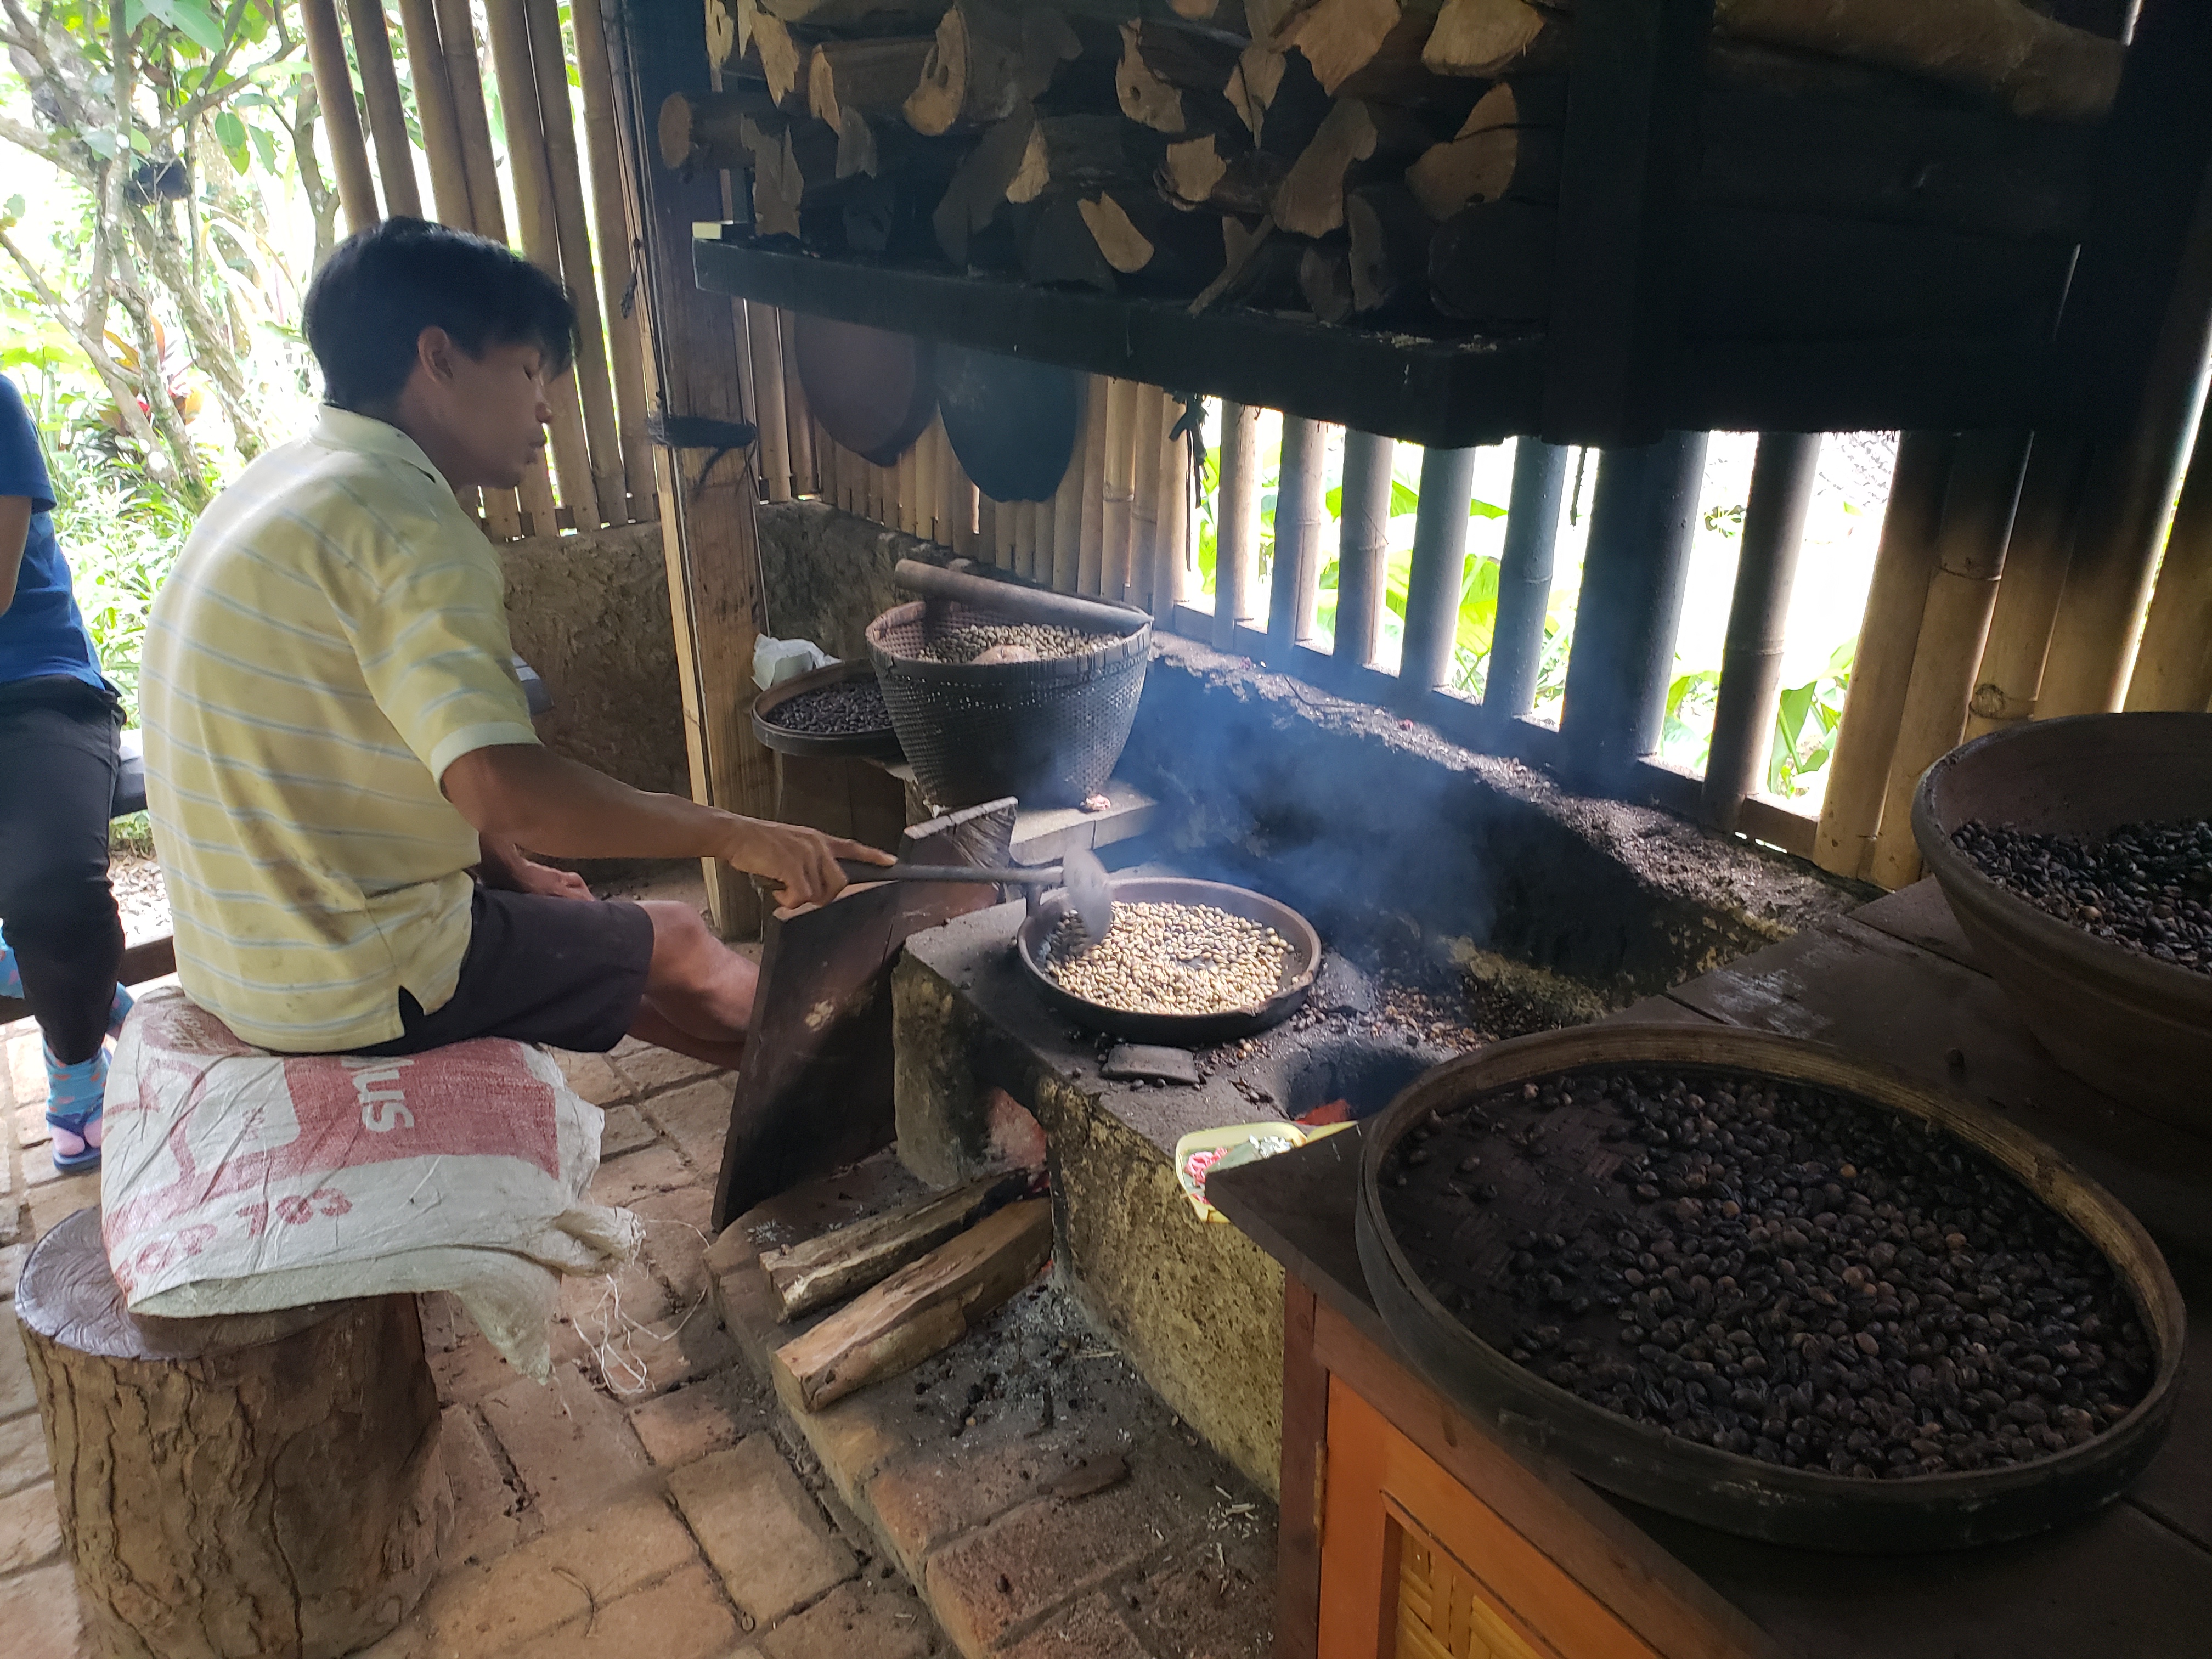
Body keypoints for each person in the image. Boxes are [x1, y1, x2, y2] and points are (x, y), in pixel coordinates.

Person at [140, 217, 890, 1066]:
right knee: (677, 938)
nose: (545, 405)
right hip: (346, 969)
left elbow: (399, 745)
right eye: (530, 369)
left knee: (601, 954)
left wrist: (509, 873)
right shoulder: (406, 521)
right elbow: (501, 789)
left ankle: (806, 1085)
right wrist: (734, 834)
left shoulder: (291, 479)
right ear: (439, 358)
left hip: (248, 956)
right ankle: (880, 1062)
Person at [0, 372, 132, 1172]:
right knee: (49, 928)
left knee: (52, 890)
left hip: (38, 690)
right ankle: (67, 976)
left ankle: (77, 1060)